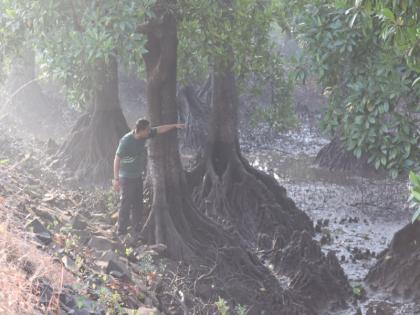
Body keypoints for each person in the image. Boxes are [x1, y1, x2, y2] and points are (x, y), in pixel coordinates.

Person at [113, 118, 184, 237]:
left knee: (137, 203)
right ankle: (121, 231)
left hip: (137, 176)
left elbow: (159, 129)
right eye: (147, 130)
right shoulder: (126, 141)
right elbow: (116, 159)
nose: (149, 132)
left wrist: (174, 125)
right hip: (126, 177)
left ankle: (137, 228)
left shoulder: (145, 135)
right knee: (126, 202)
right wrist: (116, 179)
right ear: (139, 130)